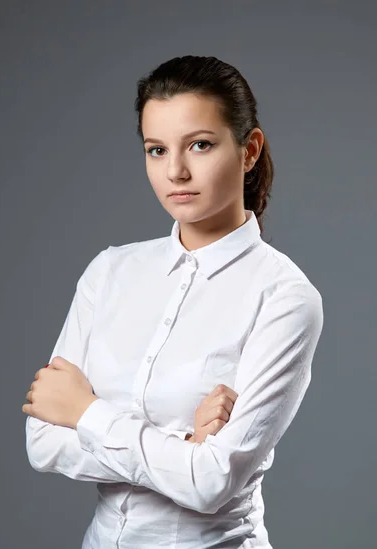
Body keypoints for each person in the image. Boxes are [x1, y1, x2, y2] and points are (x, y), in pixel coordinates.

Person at [22, 55, 323, 548]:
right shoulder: (109, 271)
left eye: (199, 145)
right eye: (156, 150)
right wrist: (182, 449)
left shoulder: (285, 299)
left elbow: (210, 484)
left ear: (249, 150)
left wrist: (88, 414)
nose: (176, 171)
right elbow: (43, 442)